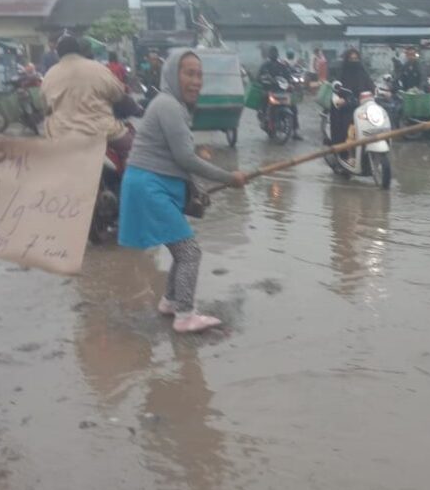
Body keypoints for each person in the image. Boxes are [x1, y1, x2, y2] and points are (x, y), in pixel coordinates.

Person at [118, 49, 246, 334]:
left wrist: (197, 189)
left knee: (181, 248)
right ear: (172, 75)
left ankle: (171, 301)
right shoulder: (168, 105)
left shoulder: (171, 105)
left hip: (153, 184)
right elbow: (185, 158)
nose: (196, 81)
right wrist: (230, 177)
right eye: (189, 73)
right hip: (149, 187)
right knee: (190, 252)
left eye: (200, 74)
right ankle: (185, 315)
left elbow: (177, 162)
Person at [41, 34, 133, 156]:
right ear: (79, 50)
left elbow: (45, 108)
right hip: (103, 132)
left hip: (62, 135)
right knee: (133, 149)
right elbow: (119, 94)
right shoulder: (98, 69)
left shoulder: (49, 76)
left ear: (58, 53)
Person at [330, 48, 374, 144]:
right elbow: (337, 91)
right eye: (351, 59)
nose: (354, 61)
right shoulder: (342, 74)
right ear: (347, 60)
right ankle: (345, 151)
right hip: (347, 106)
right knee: (347, 125)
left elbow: (371, 86)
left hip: (363, 106)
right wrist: (341, 99)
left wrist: (380, 93)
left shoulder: (363, 73)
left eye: (356, 59)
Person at [258, 46, 302, 140]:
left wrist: (291, 81)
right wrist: (265, 80)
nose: (274, 54)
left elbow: (288, 74)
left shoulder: (282, 65)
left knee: (293, 107)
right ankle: (264, 117)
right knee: (264, 100)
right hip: (269, 90)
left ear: (278, 54)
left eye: (275, 53)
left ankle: (295, 131)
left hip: (282, 91)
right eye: (272, 53)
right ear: (269, 54)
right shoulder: (265, 65)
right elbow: (259, 77)